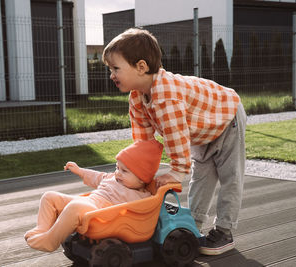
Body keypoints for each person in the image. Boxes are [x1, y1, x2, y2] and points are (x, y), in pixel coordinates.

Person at [102, 28, 246, 256]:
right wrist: (139, 176)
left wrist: (176, 172)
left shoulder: (166, 96)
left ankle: (224, 231)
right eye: (110, 69)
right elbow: (143, 143)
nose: (111, 74)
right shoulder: (137, 97)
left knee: (230, 177)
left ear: (141, 67)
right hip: (201, 129)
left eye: (115, 68)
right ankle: (193, 225)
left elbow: (176, 136)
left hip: (226, 117)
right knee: (201, 176)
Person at [24, 139, 163, 252]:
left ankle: (49, 241)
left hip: (100, 214)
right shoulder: (112, 178)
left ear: (141, 178)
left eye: (124, 171)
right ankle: (42, 228)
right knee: (50, 197)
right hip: (88, 202)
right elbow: (96, 176)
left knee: (75, 207)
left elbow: (149, 207)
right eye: (117, 167)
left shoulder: (141, 196)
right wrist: (80, 171)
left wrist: (163, 186)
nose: (118, 173)